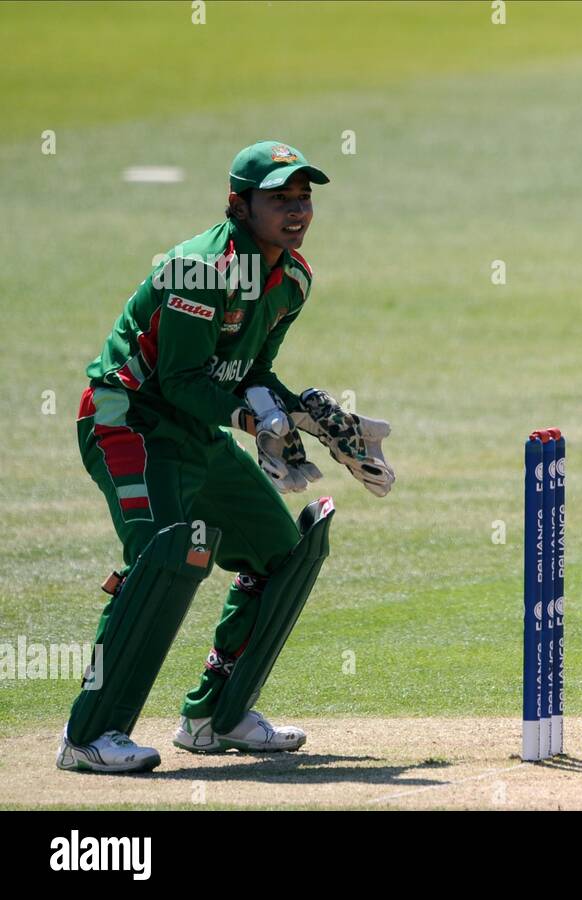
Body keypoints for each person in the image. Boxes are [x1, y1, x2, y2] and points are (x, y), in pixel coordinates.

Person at [58, 141, 395, 773]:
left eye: (303, 199)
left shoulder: (292, 279)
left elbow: (251, 369)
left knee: (283, 551)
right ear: (238, 204)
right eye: (278, 200)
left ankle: (216, 716)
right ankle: (89, 736)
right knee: (165, 553)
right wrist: (252, 419)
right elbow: (182, 377)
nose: (296, 212)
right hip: (130, 421)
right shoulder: (199, 270)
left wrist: (310, 416)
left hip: (194, 432)